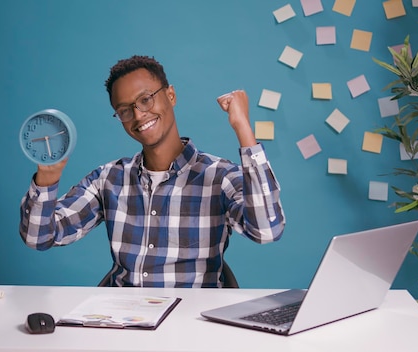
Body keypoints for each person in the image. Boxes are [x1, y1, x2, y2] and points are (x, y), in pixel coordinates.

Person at [19, 55, 285, 287]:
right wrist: (47, 179)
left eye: (145, 100)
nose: (138, 115)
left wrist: (243, 129)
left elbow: (266, 231)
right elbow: (39, 237)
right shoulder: (108, 179)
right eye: (124, 110)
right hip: (122, 326)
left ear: (171, 95)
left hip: (192, 328)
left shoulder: (219, 176)